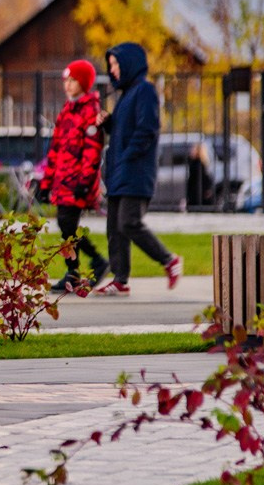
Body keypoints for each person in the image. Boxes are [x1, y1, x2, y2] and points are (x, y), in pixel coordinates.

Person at [90, 42, 183, 296]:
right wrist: (108, 123)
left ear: (129, 63)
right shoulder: (125, 96)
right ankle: (120, 281)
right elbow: (122, 132)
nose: (113, 70)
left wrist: (129, 155)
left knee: (129, 222)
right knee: (114, 227)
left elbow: (147, 129)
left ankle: (169, 260)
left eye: (116, 64)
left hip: (136, 171)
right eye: (111, 66)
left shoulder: (145, 91)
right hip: (120, 171)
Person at [39, 60, 109, 294]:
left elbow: (92, 151)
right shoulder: (67, 112)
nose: (67, 85)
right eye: (66, 81)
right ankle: (74, 271)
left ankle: (93, 261)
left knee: (67, 223)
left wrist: (85, 181)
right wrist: (46, 181)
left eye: (73, 81)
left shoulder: (90, 112)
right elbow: (55, 150)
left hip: (78, 182)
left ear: (84, 84)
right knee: (66, 225)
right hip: (62, 180)